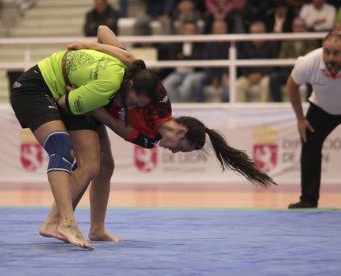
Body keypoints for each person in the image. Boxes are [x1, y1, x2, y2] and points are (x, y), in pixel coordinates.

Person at [38, 25, 276, 244]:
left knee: (105, 166)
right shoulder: (159, 100)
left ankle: (96, 229)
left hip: (95, 105)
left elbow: (112, 123)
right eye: (180, 147)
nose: (173, 151)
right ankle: (58, 220)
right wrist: (91, 46)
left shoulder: (150, 139)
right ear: (180, 131)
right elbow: (131, 60)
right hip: (93, 82)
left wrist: (86, 101)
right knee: (92, 165)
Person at [10, 40, 160, 249]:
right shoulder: (107, 87)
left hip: (64, 90)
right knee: (61, 148)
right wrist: (82, 94)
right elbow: (65, 102)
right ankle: (66, 223)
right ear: (130, 85)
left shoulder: (127, 67)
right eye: (133, 102)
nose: (130, 107)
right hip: (34, 90)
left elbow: (103, 31)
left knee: (91, 165)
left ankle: (55, 223)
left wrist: (93, 46)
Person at [287, 32, 341, 209]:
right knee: (309, 142)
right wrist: (301, 119)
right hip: (322, 108)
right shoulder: (310, 62)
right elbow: (292, 85)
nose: (330, 57)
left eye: (336, 53)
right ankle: (308, 200)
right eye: (327, 52)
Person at [268, 17, 318, 102]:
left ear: (305, 28)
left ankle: (310, 106)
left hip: (306, 72)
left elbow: (314, 60)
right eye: (296, 27)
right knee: (274, 78)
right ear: (293, 28)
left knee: (314, 79)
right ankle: (278, 105)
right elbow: (282, 60)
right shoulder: (287, 40)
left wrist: (297, 62)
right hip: (290, 71)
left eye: (301, 27)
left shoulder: (311, 40)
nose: (299, 29)